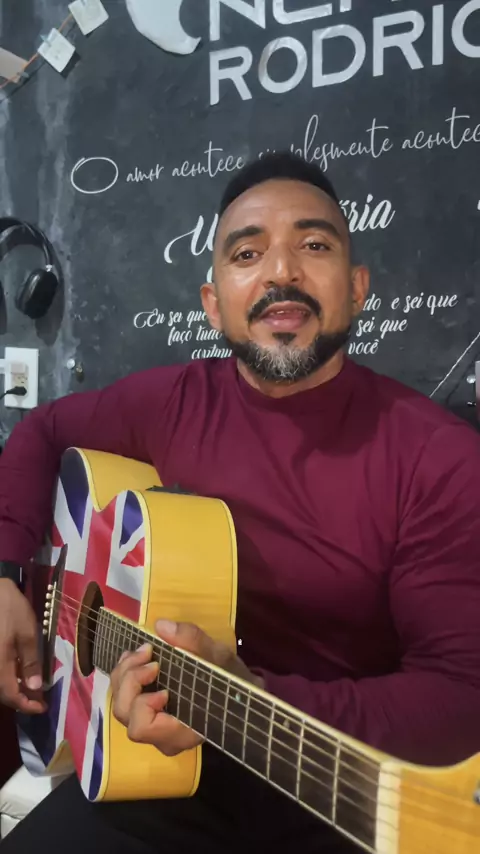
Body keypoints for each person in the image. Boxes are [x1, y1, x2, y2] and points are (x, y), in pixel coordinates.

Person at [0, 151, 479, 853]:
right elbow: (39, 433)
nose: (281, 271)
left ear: (356, 289)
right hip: (162, 775)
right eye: (247, 253)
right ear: (213, 302)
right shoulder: (171, 401)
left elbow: (461, 697)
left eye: (313, 245)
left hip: (337, 797)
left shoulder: (440, 458)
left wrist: (247, 694)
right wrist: (6, 574)